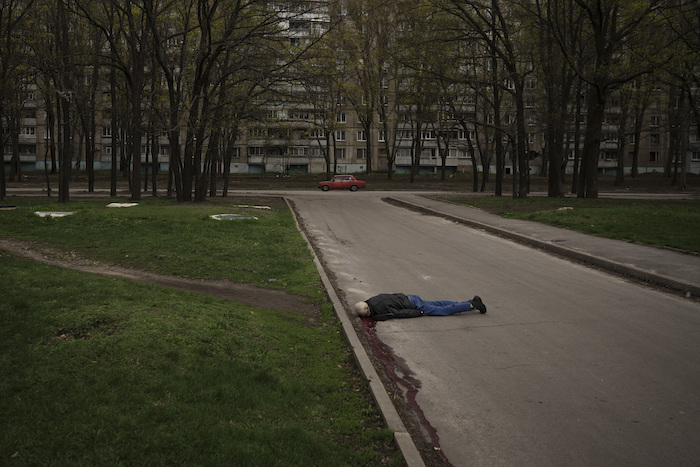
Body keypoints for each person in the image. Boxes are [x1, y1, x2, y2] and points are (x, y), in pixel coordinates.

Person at [355, 293, 487, 321]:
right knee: (437, 303)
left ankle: (472, 305)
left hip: (412, 305)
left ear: (366, 311)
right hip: (409, 297)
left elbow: (400, 313)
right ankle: (467, 302)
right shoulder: (372, 300)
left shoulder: (379, 311)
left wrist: (419, 312)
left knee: (441, 311)